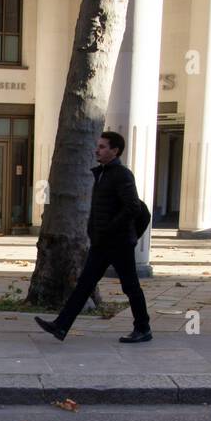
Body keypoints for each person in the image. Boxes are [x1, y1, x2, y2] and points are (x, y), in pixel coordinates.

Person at [35, 130, 152, 344]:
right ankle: (61, 326)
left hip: (118, 243)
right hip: (101, 243)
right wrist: (94, 232)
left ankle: (143, 328)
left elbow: (133, 207)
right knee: (84, 284)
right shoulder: (103, 173)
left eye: (102, 147)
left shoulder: (121, 174)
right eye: (97, 146)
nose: (96, 150)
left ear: (115, 151)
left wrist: (109, 229)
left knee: (130, 286)